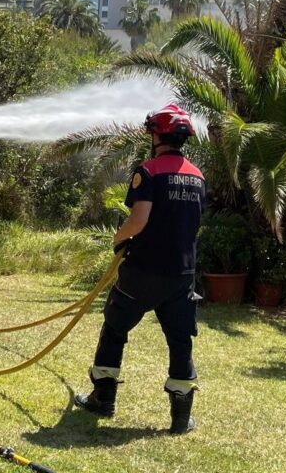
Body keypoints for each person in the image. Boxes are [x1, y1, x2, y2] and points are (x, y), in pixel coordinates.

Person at [74, 104, 205, 435]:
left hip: (143, 271)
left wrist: (118, 238)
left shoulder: (148, 172)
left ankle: (103, 400)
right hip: (181, 276)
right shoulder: (197, 175)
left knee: (115, 330)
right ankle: (179, 420)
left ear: (157, 134)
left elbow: (138, 220)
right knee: (180, 341)